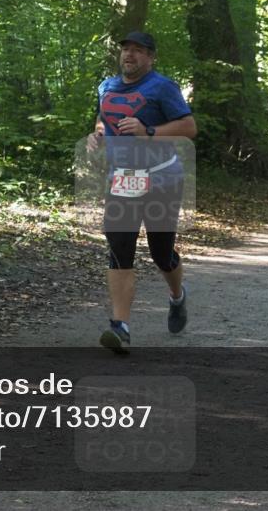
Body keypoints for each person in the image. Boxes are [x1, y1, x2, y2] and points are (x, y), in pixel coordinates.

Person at [87, 31, 198, 353]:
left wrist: (149, 131)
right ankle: (120, 327)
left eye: (138, 50)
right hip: (122, 180)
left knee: (161, 252)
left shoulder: (163, 87)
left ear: (151, 57)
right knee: (120, 248)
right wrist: (97, 136)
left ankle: (177, 296)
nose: (129, 55)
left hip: (162, 178)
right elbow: (103, 120)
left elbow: (189, 127)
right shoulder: (106, 86)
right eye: (126, 49)